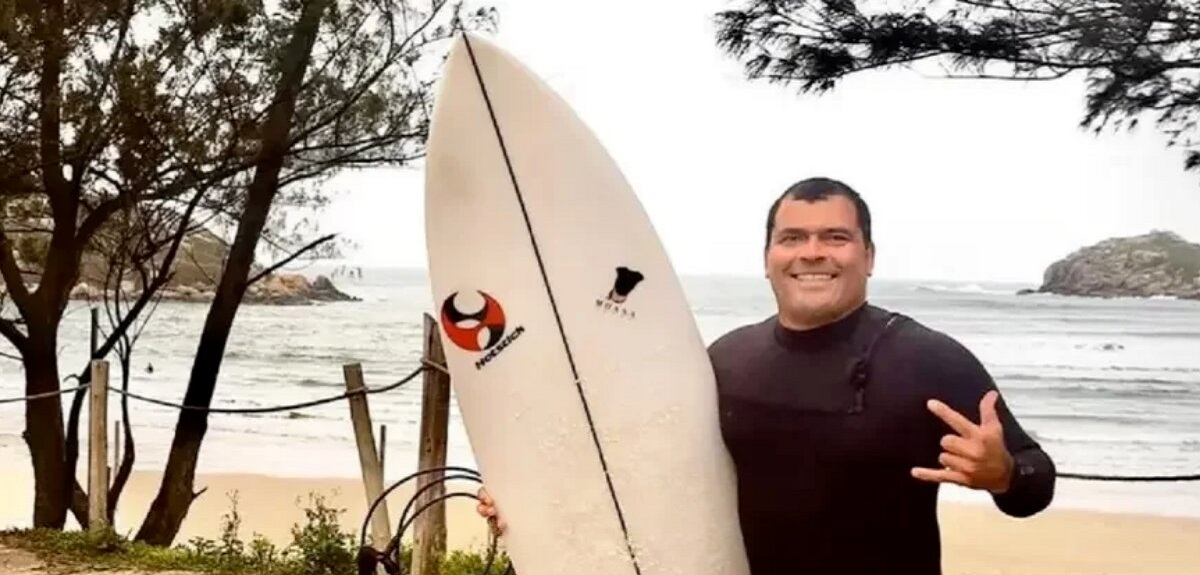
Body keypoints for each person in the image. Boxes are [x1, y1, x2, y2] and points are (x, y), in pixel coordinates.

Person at [476, 177, 1057, 574]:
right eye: (792, 238)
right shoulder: (727, 359)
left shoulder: (928, 360)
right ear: (768, 257)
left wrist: (1003, 473)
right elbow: (644, 466)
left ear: (869, 256)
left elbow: (1036, 482)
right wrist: (533, 504)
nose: (812, 252)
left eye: (835, 237)